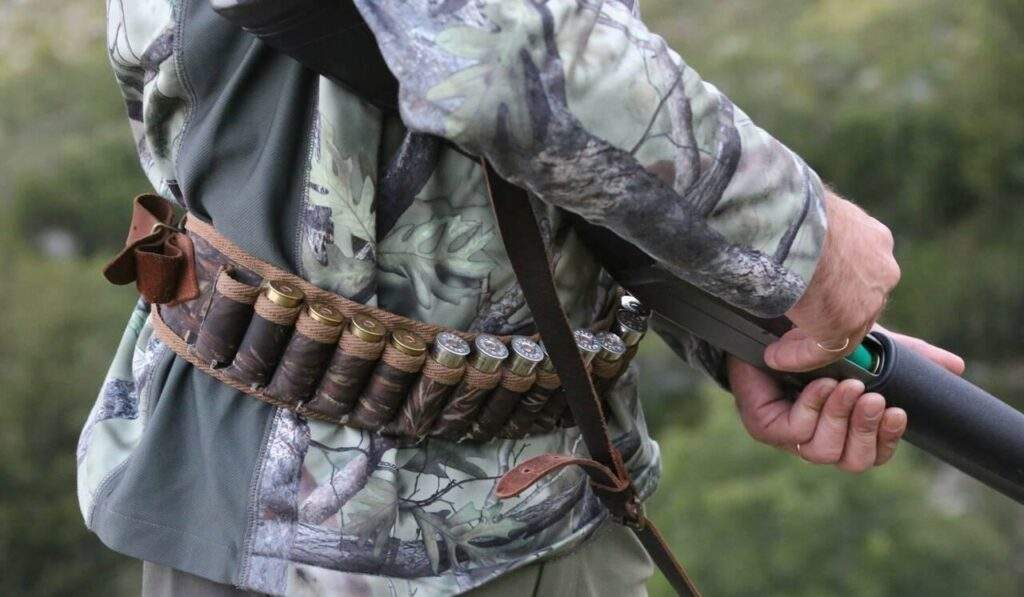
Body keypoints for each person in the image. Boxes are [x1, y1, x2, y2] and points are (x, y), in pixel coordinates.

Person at [79, 1, 964, 596]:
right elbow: (497, 55)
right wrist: (807, 242)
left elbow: (513, 133)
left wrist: (741, 317)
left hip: (560, 499)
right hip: (324, 540)